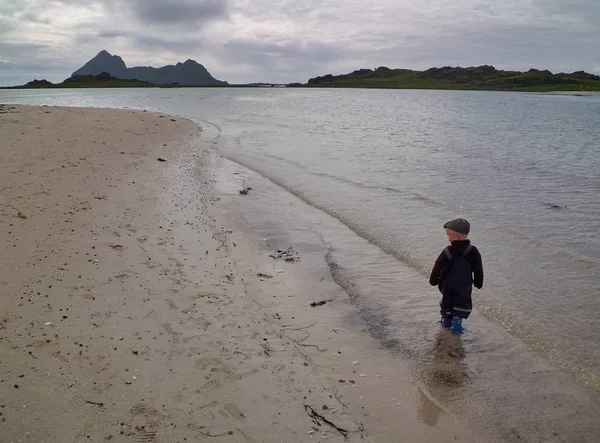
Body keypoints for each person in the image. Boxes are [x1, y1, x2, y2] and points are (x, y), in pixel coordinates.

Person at [429, 218, 483, 334]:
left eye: (448, 235)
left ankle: (446, 324)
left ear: (455, 236)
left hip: (447, 285)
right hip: (464, 286)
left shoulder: (448, 251)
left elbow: (437, 266)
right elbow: (478, 269)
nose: (448, 238)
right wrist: (478, 282)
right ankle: (457, 328)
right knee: (461, 305)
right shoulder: (473, 251)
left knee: (446, 303)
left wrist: (433, 280)